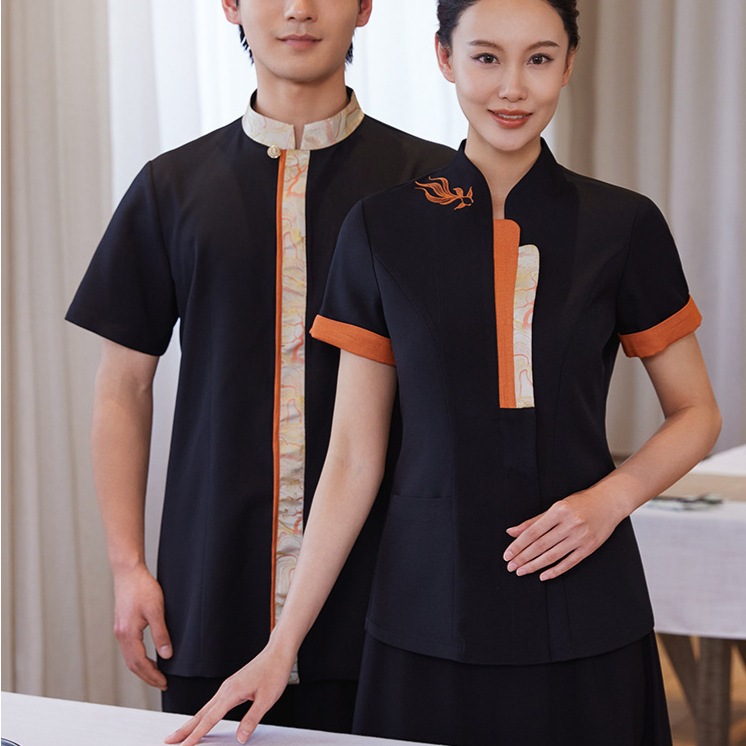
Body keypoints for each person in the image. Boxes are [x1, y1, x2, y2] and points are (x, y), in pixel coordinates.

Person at [166, 0, 722, 744]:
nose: (512, 87)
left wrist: (609, 501)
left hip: (586, 602)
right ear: (444, 58)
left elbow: (696, 412)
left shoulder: (623, 224)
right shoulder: (381, 227)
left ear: (569, 64)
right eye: (486, 57)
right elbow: (353, 456)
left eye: (539, 58)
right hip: (424, 615)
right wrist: (283, 643)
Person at [65, 0, 453, 732]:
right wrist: (127, 566)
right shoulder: (170, 187)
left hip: (392, 596)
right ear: (231, 6)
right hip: (210, 591)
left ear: (365, 8)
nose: (299, 9)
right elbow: (123, 386)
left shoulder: (431, 186)